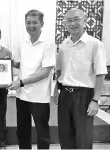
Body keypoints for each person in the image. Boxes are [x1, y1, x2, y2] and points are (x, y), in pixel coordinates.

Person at [53, 8, 107, 149]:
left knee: (83, 136)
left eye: (76, 19)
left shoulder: (95, 44)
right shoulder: (64, 44)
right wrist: (55, 90)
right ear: (65, 24)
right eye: (69, 20)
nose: (73, 23)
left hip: (84, 95)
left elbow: (100, 73)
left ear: (85, 20)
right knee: (65, 134)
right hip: (65, 94)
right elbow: (59, 70)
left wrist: (95, 100)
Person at [8, 9, 56, 149]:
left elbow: (45, 72)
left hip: (39, 96)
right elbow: (22, 64)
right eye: (28, 22)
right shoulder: (23, 41)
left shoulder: (48, 43)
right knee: (22, 130)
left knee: (42, 132)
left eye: (35, 22)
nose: (31, 25)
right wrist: (8, 63)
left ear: (42, 23)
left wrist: (21, 82)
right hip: (22, 95)